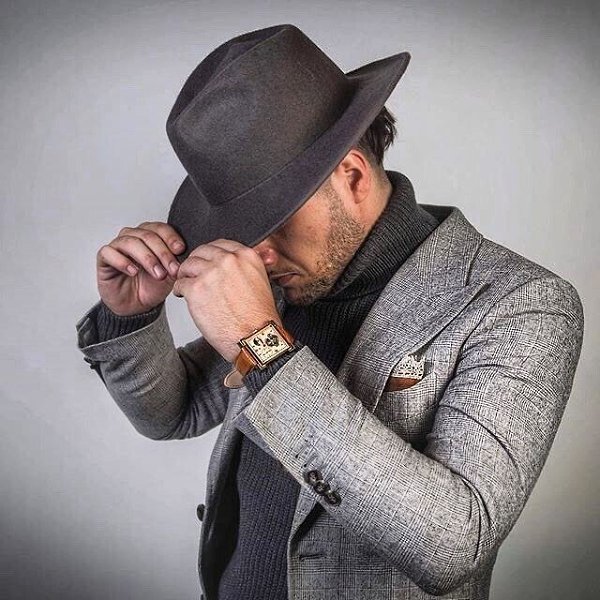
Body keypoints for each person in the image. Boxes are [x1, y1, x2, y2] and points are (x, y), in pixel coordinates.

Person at [75, 24, 584, 600]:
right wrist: (132, 317)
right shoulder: (283, 282)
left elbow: (453, 546)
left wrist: (260, 339)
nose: (257, 252)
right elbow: (173, 413)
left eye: (277, 216)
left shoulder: (520, 304)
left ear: (353, 175)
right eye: (244, 224)